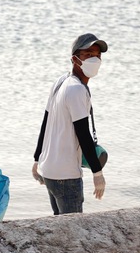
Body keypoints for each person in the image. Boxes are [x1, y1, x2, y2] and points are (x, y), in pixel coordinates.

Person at [32, 33, 107, 215]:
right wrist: (97, 174)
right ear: (75, 59)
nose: (94, 59)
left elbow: (45, 122)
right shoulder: (76, 89)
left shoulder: (61, 82)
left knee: (60, 230)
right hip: (66, 176)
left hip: (49, 170)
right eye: (88, 54)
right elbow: (83, 134)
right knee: (73, 232)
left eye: (97, 55)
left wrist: (37, 159)